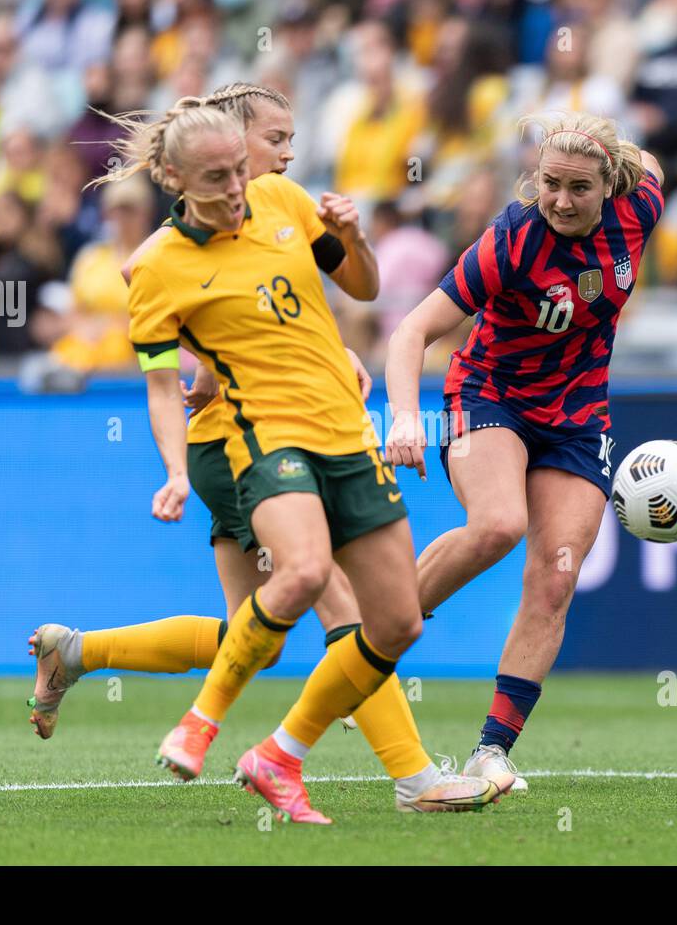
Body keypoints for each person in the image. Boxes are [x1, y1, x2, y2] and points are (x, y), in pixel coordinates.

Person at [32, 90, 500, 822]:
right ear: (220, 149)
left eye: (289, 141)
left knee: (258, 627)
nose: (283, 156)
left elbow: (308, 298)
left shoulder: (278, 207)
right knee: (339, 606)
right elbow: (198, 337)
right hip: (242, 441)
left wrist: (329, 341)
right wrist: (200, 415)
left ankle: (81, 651)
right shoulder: (164, 258)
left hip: (303, 429)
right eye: (274, 140)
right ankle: (410, 776)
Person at [385, 110, 664, 792]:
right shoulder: (510, 241)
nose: (562, 201)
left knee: (556, 577)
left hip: (576, 417)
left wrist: (605, 135)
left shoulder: (643, 205)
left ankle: (492, 752)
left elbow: (650, 161)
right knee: (499, 525)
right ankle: (368, 643)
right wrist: (401, 419)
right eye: (550, 184)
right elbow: (412, 331)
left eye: (578, 188)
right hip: (490, 395)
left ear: (610, 187)